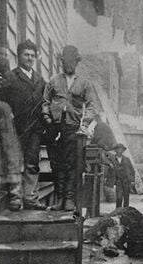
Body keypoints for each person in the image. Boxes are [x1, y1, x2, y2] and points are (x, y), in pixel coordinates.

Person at [42, 45, 97, 211]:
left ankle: (69, 199)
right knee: (57, 163)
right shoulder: (53, 81)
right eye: (66, 61)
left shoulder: (84, 83)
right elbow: (45, 102)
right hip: (55, 127)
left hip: (73, 128)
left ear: (77, 62)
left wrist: (85, 123)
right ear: (62, 62)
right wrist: (47, 117)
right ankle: (59, 199)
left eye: (72, 61)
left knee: (72, 163)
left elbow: (92, 106)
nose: (69, 64)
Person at [0, 40, 48, 211]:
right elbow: (2, 100)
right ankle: (15, 197)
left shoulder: (40, 80)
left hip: (34, 128)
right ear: (19, 56)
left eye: (32, 55)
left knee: (32, 162)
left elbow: (44, 103)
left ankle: (30, 198)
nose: (29, 58)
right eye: (26, 55)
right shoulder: (11, 77)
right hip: (16, 127)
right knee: (15, 161)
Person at [103, 143, 135, 208]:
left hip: (126, 180)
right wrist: (110, 164)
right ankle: (118, 211)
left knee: (126, 197)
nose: (120, 151)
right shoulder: (112, 158)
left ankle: (126, 212)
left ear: (123, 151)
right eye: (118, 149)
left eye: (121, 149)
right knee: (119, 197)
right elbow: (104, 158)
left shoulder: (127, 159)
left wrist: (132, 180)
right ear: (115, 150)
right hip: (118, 181)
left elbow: (132, 170)